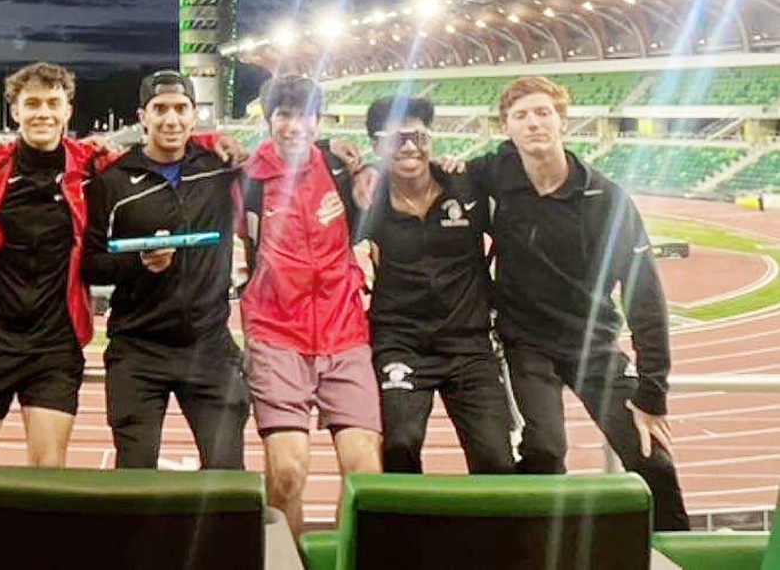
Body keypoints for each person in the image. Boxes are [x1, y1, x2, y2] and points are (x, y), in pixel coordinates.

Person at [0, 62, 241, 536]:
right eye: (32, 104)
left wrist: (208, 142)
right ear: (14, 110)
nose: (42, 113)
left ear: (68, 109)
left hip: (56, 346)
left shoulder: (88, 165)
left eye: (53, 103)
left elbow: (168, 149)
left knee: (50, 479)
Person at [443, 76, 689, 530]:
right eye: (521, 116)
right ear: (507, 129)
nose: (533, 123)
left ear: (562, 121)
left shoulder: (605, 198)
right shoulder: (494, 174)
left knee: (652, 458)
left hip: (593, 345)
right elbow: (436, 177)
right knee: (545, 451)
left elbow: (646, 299)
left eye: (542, 112)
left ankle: (681, 554)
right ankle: (532, 550)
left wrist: (653, 392)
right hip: (527, 345)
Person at [82, 69, 250, 470]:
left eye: (181, 109)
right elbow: (90, 265)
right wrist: (137, 263)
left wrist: (341, 150)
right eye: (160, 109)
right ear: (143, 115)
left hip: (208, 346)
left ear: (194, 116)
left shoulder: (219, 168)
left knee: (227, 479)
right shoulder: (113, 182)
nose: (170, 119)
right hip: (138, 350)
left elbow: (291, 152)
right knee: (135, 477)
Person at [239, 75, 382, 537]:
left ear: (318, 121)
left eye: (305, 115)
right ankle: (288, 560)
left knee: (366, 474)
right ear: (269, 121)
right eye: (284, 115)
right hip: (277, 332)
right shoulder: (245, 178)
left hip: (344, 331)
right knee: (286, 473)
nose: (294, 126)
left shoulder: (343, 171)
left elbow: (408, 169)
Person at [360, 96, 514, 475]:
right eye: (396, 138)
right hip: (401, 344)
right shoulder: (366, 201)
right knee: (399, 446)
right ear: (376, 146)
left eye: (418, 136)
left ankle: (493, 534)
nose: (410, 146)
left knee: (497, 459)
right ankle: (410, 534)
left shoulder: (468, 187)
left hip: (469, 345)